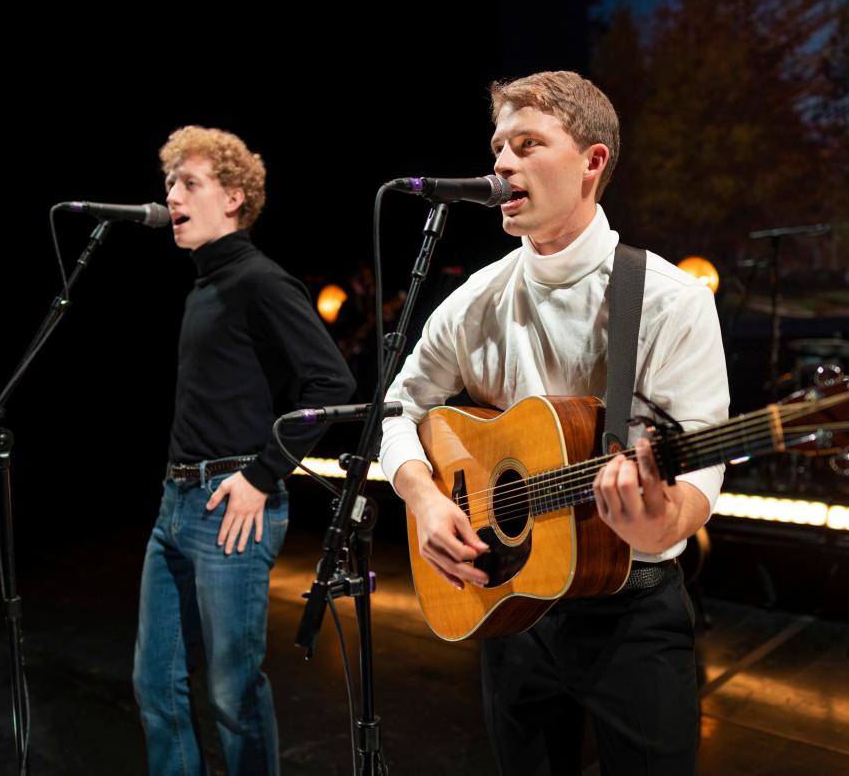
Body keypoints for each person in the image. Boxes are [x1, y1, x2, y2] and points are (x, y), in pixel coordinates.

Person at [379, 71, 729, 774]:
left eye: (527, 144)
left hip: (631, 612)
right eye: (498, 147)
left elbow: (700, 469)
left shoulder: (669, 299)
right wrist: (422, 496)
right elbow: (396, 406)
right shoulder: (476, 299)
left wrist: (658, 522)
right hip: (509, 600)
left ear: (592, 162)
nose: (502, 164)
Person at [132, 125, 355, 776]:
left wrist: (262, 476)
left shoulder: (260, 281)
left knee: (232, 693)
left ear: (233, 197)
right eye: (170, 183)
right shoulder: (202, 287)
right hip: (176, 503)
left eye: (189, 183)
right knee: (155, 684)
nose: (172, 194)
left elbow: (332, 383)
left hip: (230, 504)